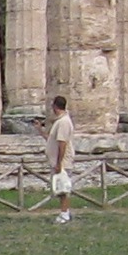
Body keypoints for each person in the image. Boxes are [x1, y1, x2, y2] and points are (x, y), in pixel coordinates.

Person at [46, 96, 77, 224]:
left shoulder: (63, 122)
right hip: (58, 161)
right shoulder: (59, 121)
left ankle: (65, 214)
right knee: (60, 187)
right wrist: (39, 130)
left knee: (64, 188)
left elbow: (62, 143)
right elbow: (52, 140)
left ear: (55, 106)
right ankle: (65, 212)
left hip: (63, 161)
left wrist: (59, 163)